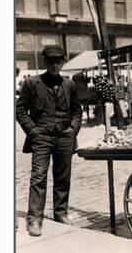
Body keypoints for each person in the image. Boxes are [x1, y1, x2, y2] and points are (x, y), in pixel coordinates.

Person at [16, 45, 83, 237]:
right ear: (45, 62)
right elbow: (20, 110)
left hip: (64, 136)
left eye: (58, 62)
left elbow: (77, 110)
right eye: (51, 62)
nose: (55, 66)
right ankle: (35, 219)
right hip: (42, 137)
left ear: (63, 62)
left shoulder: (69, 84)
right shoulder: (32, 83)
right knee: (38, 177)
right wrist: (33, 131)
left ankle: (61, 213)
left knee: (63, 177)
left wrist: (73, 130)